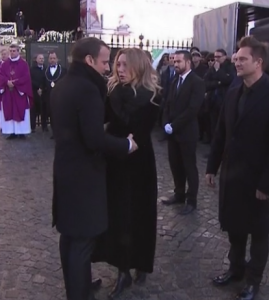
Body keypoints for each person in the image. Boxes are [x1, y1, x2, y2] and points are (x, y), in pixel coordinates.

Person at [206, 36, 269, 300]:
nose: (236, 61)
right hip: (232, 177)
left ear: (259, 63)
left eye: (242, 58)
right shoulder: (233, 92)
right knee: (235, 227)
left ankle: (253, 281)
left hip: (258, 182)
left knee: (258, 234)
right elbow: (221, 133)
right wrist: (212, 167)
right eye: (236, 58)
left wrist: (267, 185)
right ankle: (236, 269)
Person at [51, 37, 138, 300]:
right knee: (81, 242)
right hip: (84, 179)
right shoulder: (88, 89)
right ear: (89, 60)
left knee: (69, 237)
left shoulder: (63, 84)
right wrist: (126, 144)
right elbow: (93, 139)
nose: (108, 67)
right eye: (104, 61)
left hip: (65, 172)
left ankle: (79, 286)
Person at [91, 48, 160, 299]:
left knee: (141, 214)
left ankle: (142, 262)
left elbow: (137, 133)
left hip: (140, 164)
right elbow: (106, 122)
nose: (118, 69)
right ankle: (122, 270)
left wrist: (118, 135)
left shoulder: (151, 96)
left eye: (123, 65)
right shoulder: (111, 92)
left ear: (138, 67)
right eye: (117, 64)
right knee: (119, 215)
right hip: (116, 163)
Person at [162, 50, 205, 215]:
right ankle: (178, 194)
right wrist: (165, 123)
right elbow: (168, 103)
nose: (175, 64)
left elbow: (193, 109)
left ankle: (191, 200)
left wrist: (174, 125)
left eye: (179, 61)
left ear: (188, 62)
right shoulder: (174, 80)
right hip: (172, 133)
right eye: (174, 61)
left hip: (187, 133)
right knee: (175, 165)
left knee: (189, 166)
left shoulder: (197, 82)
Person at [0, 44, 32, 139]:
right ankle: (11, 132)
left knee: (20, 110)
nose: (12, 52)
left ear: (18, 51)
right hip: (8, 92)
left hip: (19, 92)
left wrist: (15, 83)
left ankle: (21, 132)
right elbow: (1, 75)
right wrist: (7, 82)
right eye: (11, 51)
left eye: (14, 51)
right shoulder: (4, 64)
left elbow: (26, 77)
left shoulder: (24, 64)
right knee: (9, 110)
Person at [42, 51, 67, 136]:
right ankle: (54, 132)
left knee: (60, 114)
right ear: (48, 59)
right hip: (49, 96)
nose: (52, 60)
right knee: (51, 114)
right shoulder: (45, 70)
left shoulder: (63, 70)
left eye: (54, 58)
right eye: (50, 58)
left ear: (57, 59)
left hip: (60, 96)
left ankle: (60, 131)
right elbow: (43, 82)